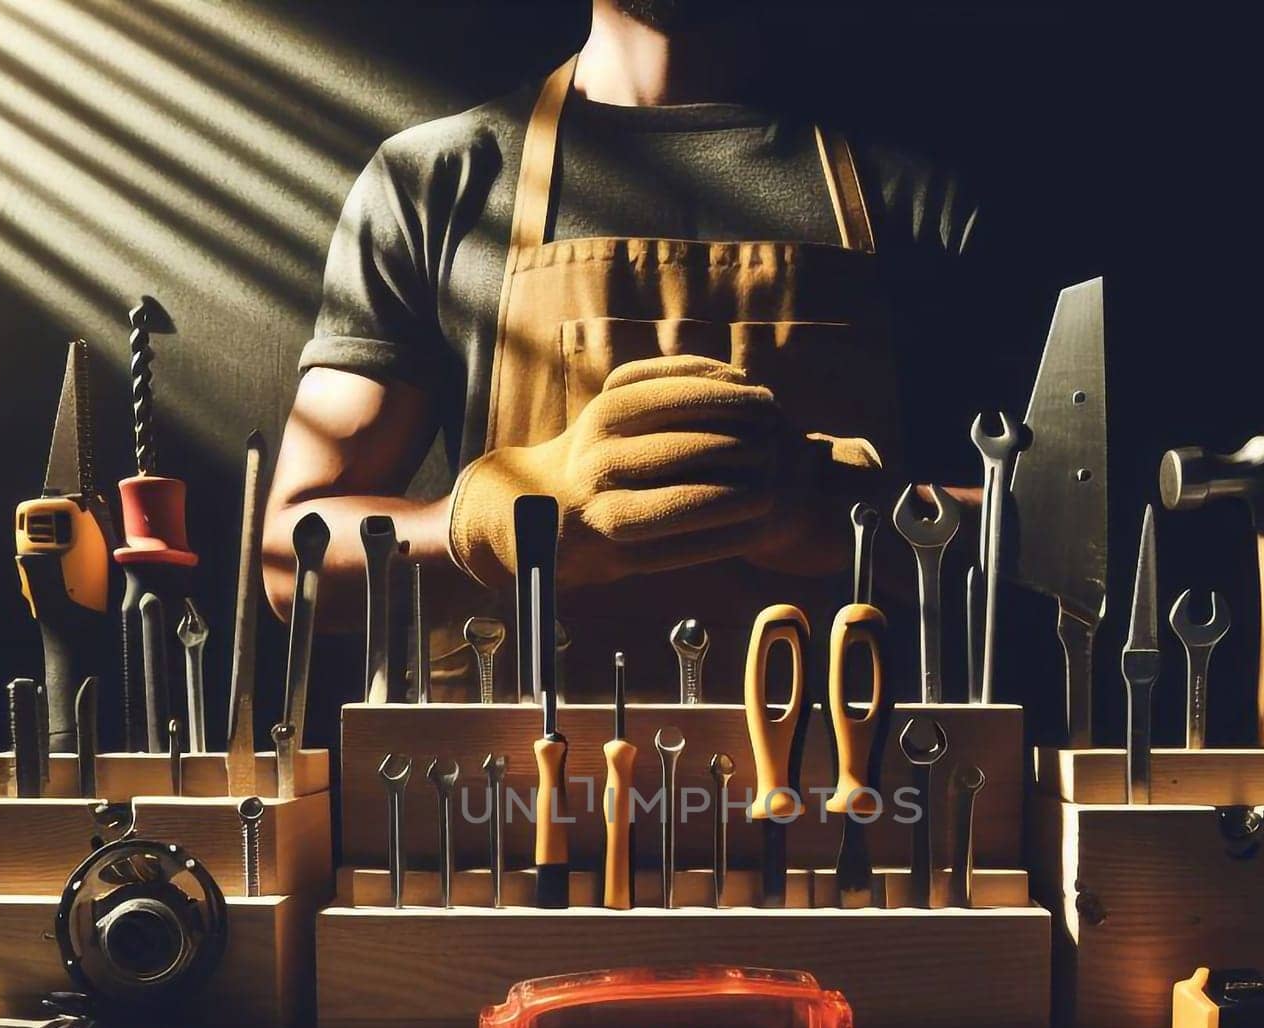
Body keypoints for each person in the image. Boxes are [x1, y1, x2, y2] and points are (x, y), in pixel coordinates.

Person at [266, 0, 987, 698]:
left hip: (843, 799)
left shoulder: (919, 199)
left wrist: (845, 515)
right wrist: (498, 522)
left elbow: (1055, 557)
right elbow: (290, 566)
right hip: (512, 799)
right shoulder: (434, 184)